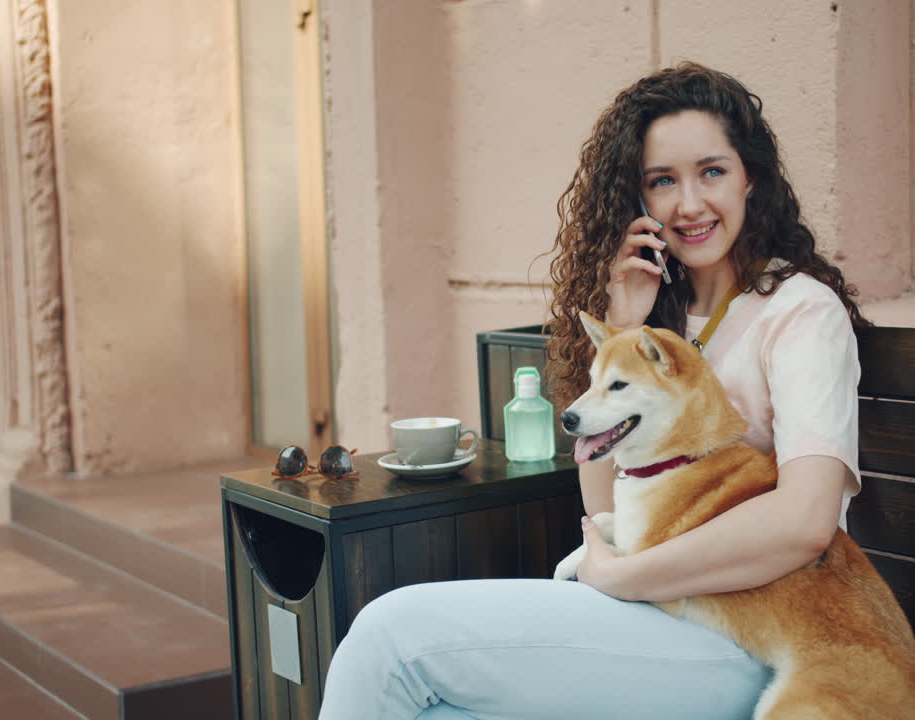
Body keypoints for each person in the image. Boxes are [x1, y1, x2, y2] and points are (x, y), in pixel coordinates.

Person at [317, 62, 869, 720]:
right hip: (655, 613)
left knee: (391, 640)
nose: (688, 203)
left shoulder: (800, 313)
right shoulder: (657, 320)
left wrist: (620, 575)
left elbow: (806, 523)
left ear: (752, 176)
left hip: (760, 637)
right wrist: (625, 326)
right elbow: (610, 505)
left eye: (711, 172)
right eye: (663, 181)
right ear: (638, 200)